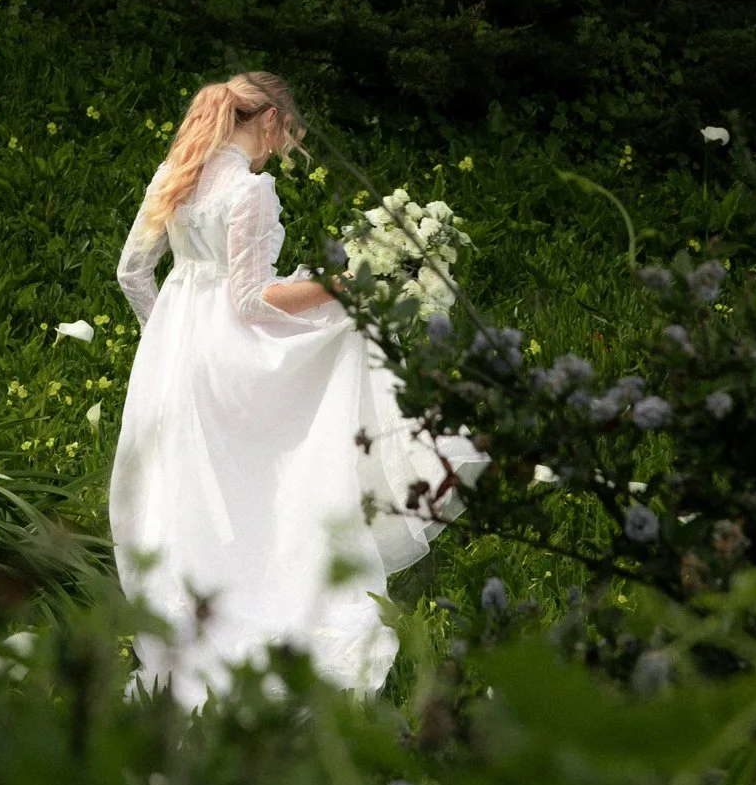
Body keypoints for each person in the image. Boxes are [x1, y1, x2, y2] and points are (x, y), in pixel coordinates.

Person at [110, 70, 484, 706]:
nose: (277, 151)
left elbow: (131, 274)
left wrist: (166, 342)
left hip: (174, 357)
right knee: (269, 460)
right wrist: (343, 286)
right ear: (270, 119)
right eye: (283, 134)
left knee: (192, 488)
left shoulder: (176, 173)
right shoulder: (249, 191)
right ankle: (268, 593)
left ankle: (191, 617)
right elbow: (252, 302)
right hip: (230, 351)